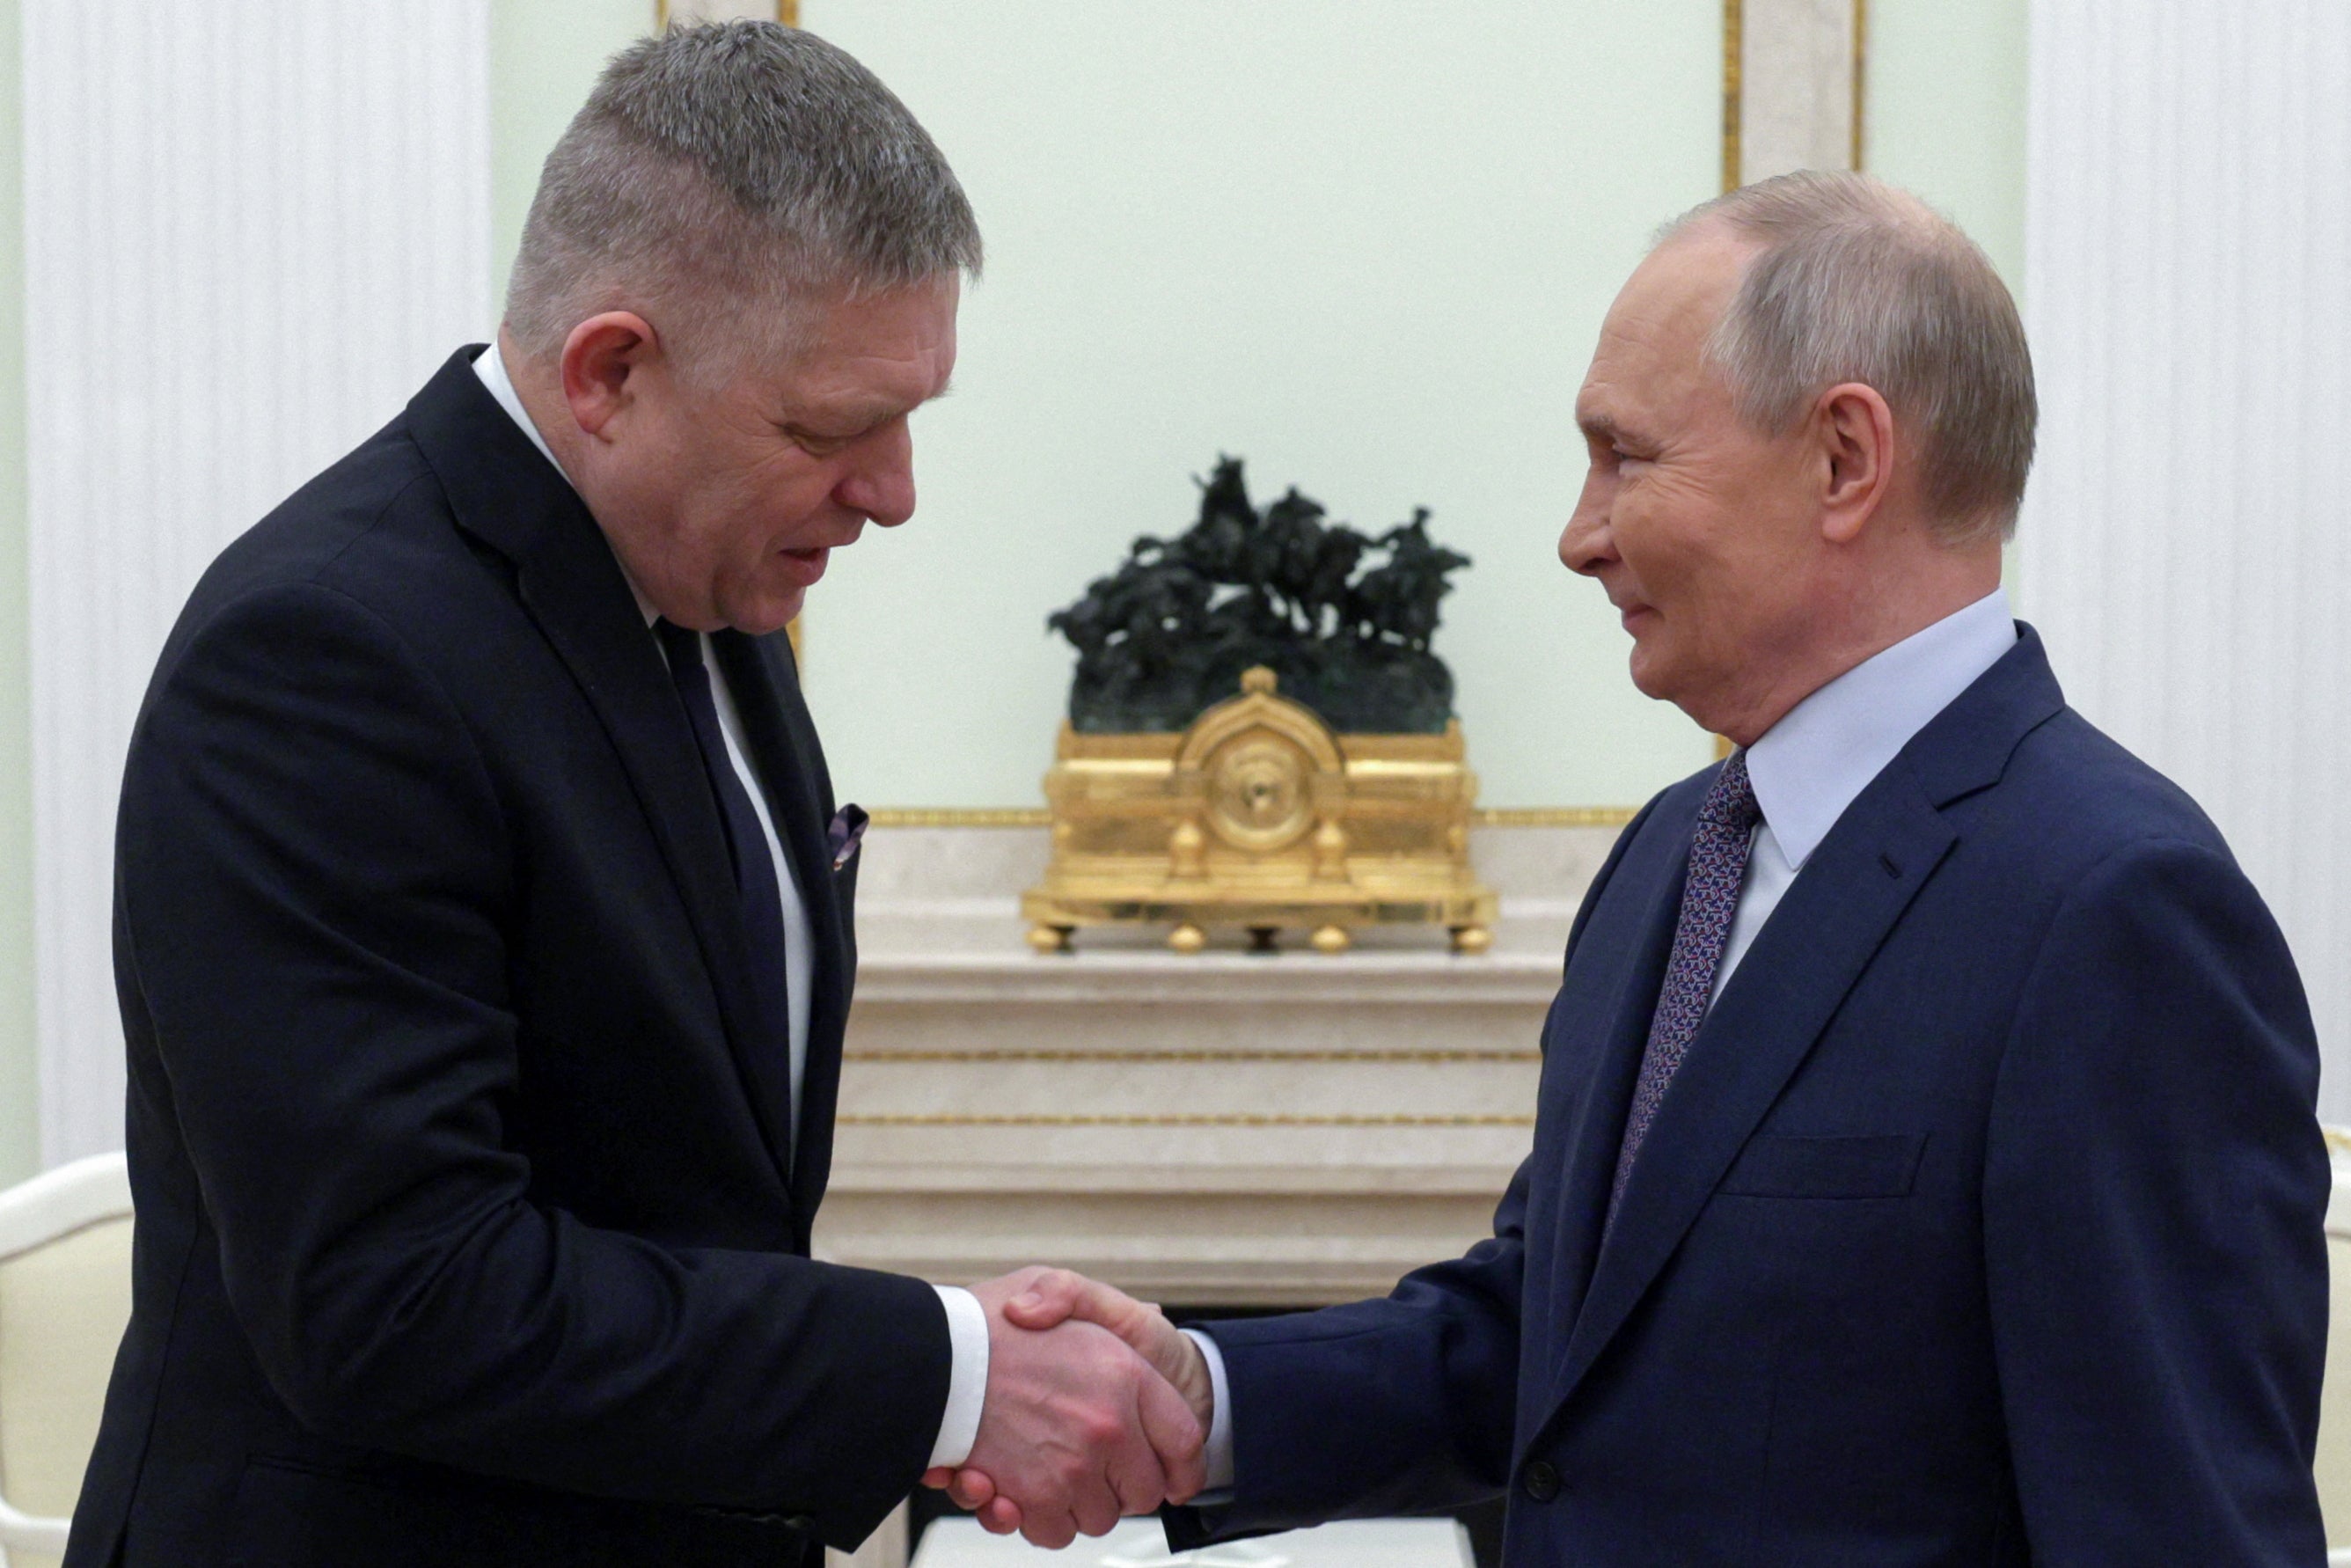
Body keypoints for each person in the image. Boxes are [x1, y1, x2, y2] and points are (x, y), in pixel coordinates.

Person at [961, 171, 2333, 1563]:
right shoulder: (1679, 851)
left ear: (1846, 459)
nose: (1579, 533)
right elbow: (1555, 1342)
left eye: (1628, 456)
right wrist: (1210, 1394)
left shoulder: (2114, 910)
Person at [68, 23, 1199, 1568]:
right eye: (832, 430)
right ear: (612, 372)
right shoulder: (328, 651)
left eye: (912, 418)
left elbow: (682, 1188)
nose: (895, 492)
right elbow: (399, 1298)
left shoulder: (712, 597)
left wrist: (933, 1377)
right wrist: (949, 1377)